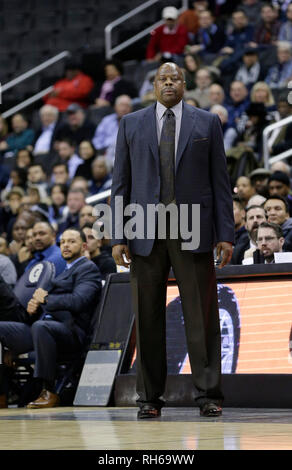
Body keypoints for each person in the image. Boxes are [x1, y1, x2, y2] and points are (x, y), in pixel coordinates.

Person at [110, 62, 234, 419]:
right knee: (147, 318)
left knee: (202, 316)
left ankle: (209, 394)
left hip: (193, 231)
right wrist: (118, 234)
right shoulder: (130, 123)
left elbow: (221, 184)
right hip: (144, 232)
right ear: (153, 85)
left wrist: (225, 234)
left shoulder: (207, 122)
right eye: (162, 79)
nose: (168, 83)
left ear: (184, 83)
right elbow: (121, 183)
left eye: (174, 78)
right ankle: (149, 398)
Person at [0, 227, 102, 409]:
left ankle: (48, 391)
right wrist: (34, 308)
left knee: (41, 327)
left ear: (84, 245)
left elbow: (79, 301)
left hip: (71, 331)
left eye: (72, 242)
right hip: (43, 327)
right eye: (63, 242)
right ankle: (1, 393)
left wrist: (45, 299)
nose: (66, 246)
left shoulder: (88, 269)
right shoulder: (62, 272)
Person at [92, 95, 133, 166]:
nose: (124, 109)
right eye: (121, 105)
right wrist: (102, 150)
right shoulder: (107, 120)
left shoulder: (136, 122)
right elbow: (97, 140)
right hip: (105, 154)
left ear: (131, 109)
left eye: (127, 106)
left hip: (127, 156)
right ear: (115, 107)